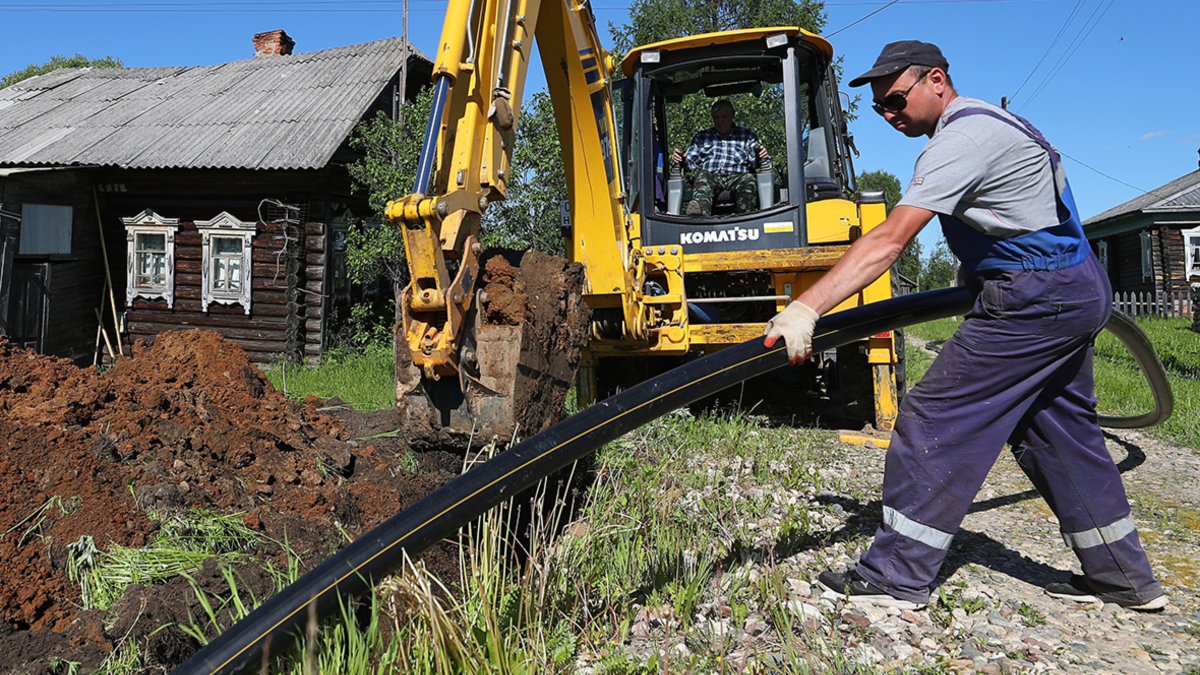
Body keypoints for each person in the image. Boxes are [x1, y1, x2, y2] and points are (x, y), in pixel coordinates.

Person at [763, 40, 1167, 612]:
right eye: (880, 107)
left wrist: (808, 307)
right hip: (1073, 289)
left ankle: (896, 576)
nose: (890, 113)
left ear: (935, 80)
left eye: (897, 99)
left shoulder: (960, 139)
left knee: (935, 416)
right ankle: (1125, 578)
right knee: (1060, 436)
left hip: (1035, 298)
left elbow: (889, 239)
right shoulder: (995, 122)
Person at [671, 99, 769, 216]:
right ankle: (699, 217)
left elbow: (756, 161)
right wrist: (681, 159)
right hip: (712, 177)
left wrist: (761, 155)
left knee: (748, 179)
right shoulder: (702, 137)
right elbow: (690, 163)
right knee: (703, 175)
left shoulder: (747, 136)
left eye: (724, 116)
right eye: (716, 117)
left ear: (732, 115)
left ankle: (747, 217)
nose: (720, 121)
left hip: (737, 177)